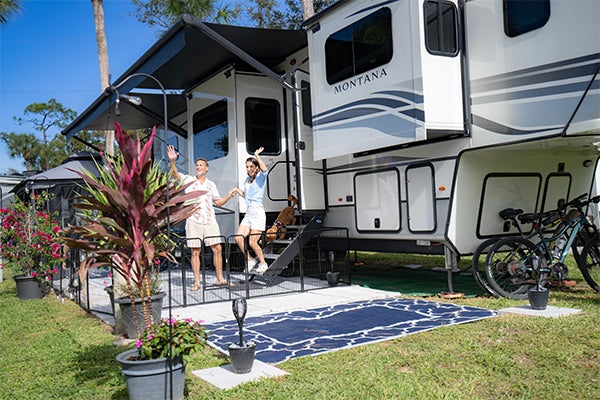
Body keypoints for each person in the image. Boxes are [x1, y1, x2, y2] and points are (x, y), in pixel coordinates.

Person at [167, 145, 236, 289]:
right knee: (195, 251)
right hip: (194, 221)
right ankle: (197, 282)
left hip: (210, 220)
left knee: (217, 248)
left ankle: (220, 278)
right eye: (196, 165)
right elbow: (175, 174)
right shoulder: (188, 180)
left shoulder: (211, 185)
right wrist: (173, 161)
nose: (198, 167)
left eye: (201, 165)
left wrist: (229, 195)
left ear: (206, 168)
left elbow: (217, 202)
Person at [233, 147, 269, 275]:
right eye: (247, 167)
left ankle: (263, 263)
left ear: (256, 167)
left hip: (258, 213)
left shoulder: (260, 178)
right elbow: (247, 196)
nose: (248, 169)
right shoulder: (246, 180)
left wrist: (257, 155)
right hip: (249, 213)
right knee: (238, 238)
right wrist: (237, 191)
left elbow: (265, 170)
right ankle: (250, 260)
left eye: (250, 167)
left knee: (252, 242)